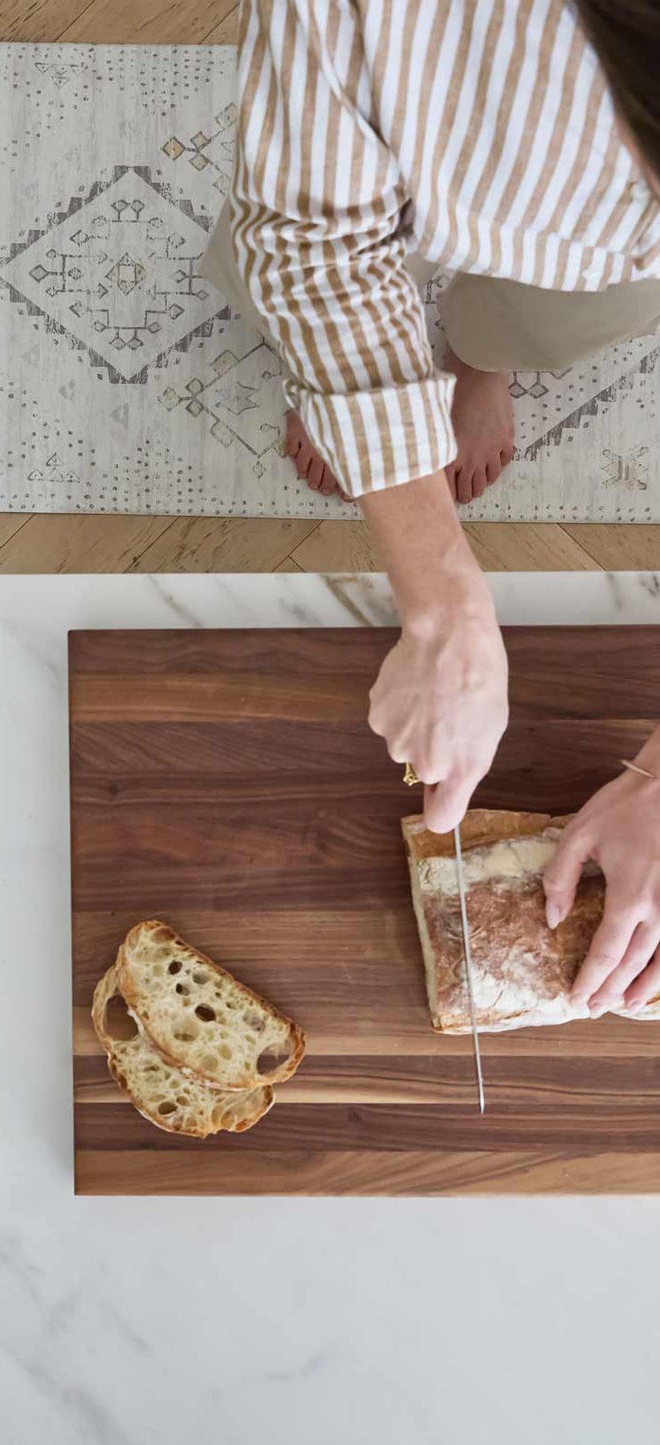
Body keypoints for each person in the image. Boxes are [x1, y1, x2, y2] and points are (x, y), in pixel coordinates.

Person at [204, 0, 660, 1013]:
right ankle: (382, 379)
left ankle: (473, 356)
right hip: (404, 131)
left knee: (547, 313)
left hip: (611, 261)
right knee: (269, 276)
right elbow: (313, 244)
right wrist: (439, 594)